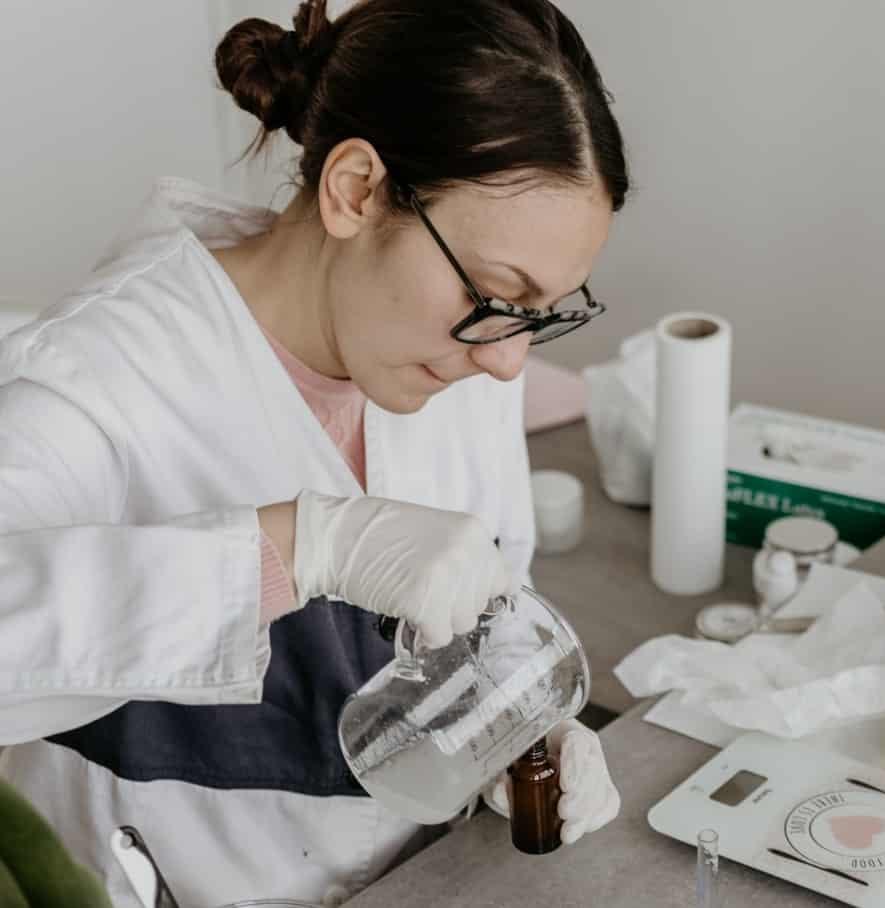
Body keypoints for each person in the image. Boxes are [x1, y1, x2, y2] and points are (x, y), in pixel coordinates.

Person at [0, 0, 626, 903]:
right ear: (357, 191)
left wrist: (509, 733)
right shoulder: (98, 377)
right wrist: (297, 547)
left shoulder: (452, 362)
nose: (506, 360)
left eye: (540, 314)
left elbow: (480, 623)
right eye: (496, 295)